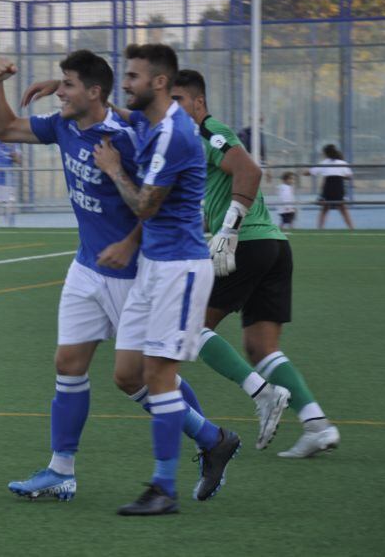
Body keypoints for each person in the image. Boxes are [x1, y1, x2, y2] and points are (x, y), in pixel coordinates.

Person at [0, 49, 231, 508]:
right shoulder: (63, 124)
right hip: (87, 266)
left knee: (143, 376)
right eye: (59, 83)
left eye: (68, 84)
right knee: (68, 364)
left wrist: (129, 243)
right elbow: (3, 129)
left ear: (92, 92)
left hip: (135, 270)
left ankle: (206, 441)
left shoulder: (128, 135)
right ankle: (61, 471)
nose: (59, 91)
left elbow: (152, 203)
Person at [92, 45, 240, 516]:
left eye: (133, 76)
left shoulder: (175, 134)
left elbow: (145, 205)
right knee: (126, 374)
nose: (126, 82)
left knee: (158, 374)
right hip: (154, 266)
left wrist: (114, 170)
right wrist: (74, 94)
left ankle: (163, 489)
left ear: (158, 82)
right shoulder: (151, 121)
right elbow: (120, 113)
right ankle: (213, 438)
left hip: (180, 269)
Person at [166, 69, 339, 458]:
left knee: (191, 326)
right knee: (261, 347)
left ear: (198, 101)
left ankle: (263, 394)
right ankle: (317, 424)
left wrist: (228, 229)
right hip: (273, 245)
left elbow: (250, 170)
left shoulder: (209, 130)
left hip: (247, 243)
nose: (172, 108)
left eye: (178, 100)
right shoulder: (194, 141)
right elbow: (218, 196)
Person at [307, 144, 354, 229]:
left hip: (328, 187)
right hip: (339, 187)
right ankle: (351, 228)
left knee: (325, 209)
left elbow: (311, 172)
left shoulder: (324, 162)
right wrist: (340, 176)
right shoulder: (342, 163)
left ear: (326, 153)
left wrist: (303, 173)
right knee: (343, 209)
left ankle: (320, 228)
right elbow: (349, 176)